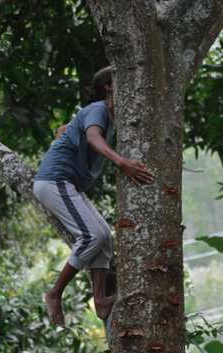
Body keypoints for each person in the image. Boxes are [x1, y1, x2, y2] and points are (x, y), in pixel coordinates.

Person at [33, 66, 154, 326]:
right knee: (93, 236)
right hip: (56, 181)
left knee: (105, 238)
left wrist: (64, 144)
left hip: (69, 185)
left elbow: (64, 129)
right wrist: (122, 163)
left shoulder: (103, 115)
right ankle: (55, 293)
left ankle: (100, 300)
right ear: (109, 87)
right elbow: (92, 138)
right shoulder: (98, 109)